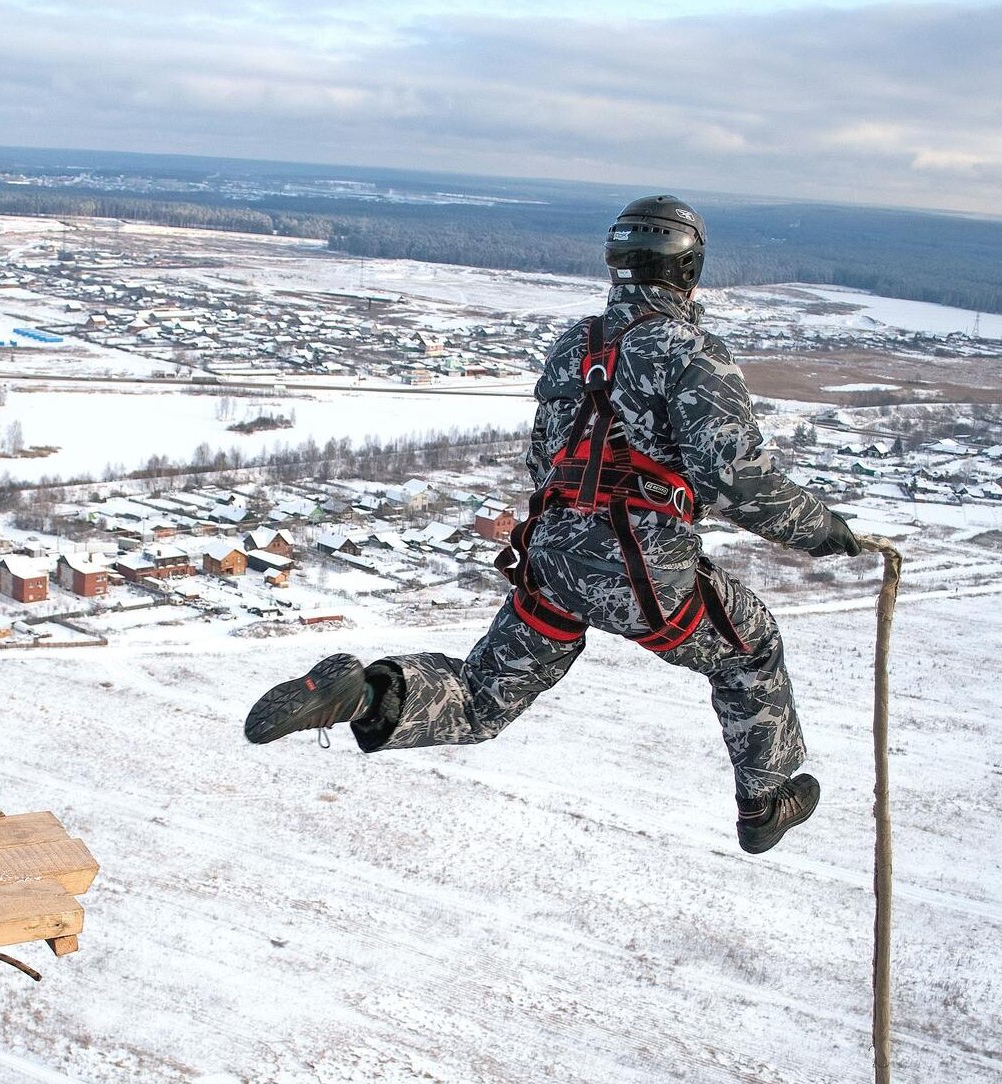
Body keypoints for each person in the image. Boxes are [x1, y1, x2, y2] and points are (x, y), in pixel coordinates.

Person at [244, 196, 867, 853]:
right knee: (751, 646)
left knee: (481, 699)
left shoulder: (578, 346)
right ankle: (764, 802)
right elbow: (738, 480)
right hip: (641, 573)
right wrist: (821, 528)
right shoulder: (692, 354)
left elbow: (545, 461)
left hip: (552, 557)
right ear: (688, 268)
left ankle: (367, 696)